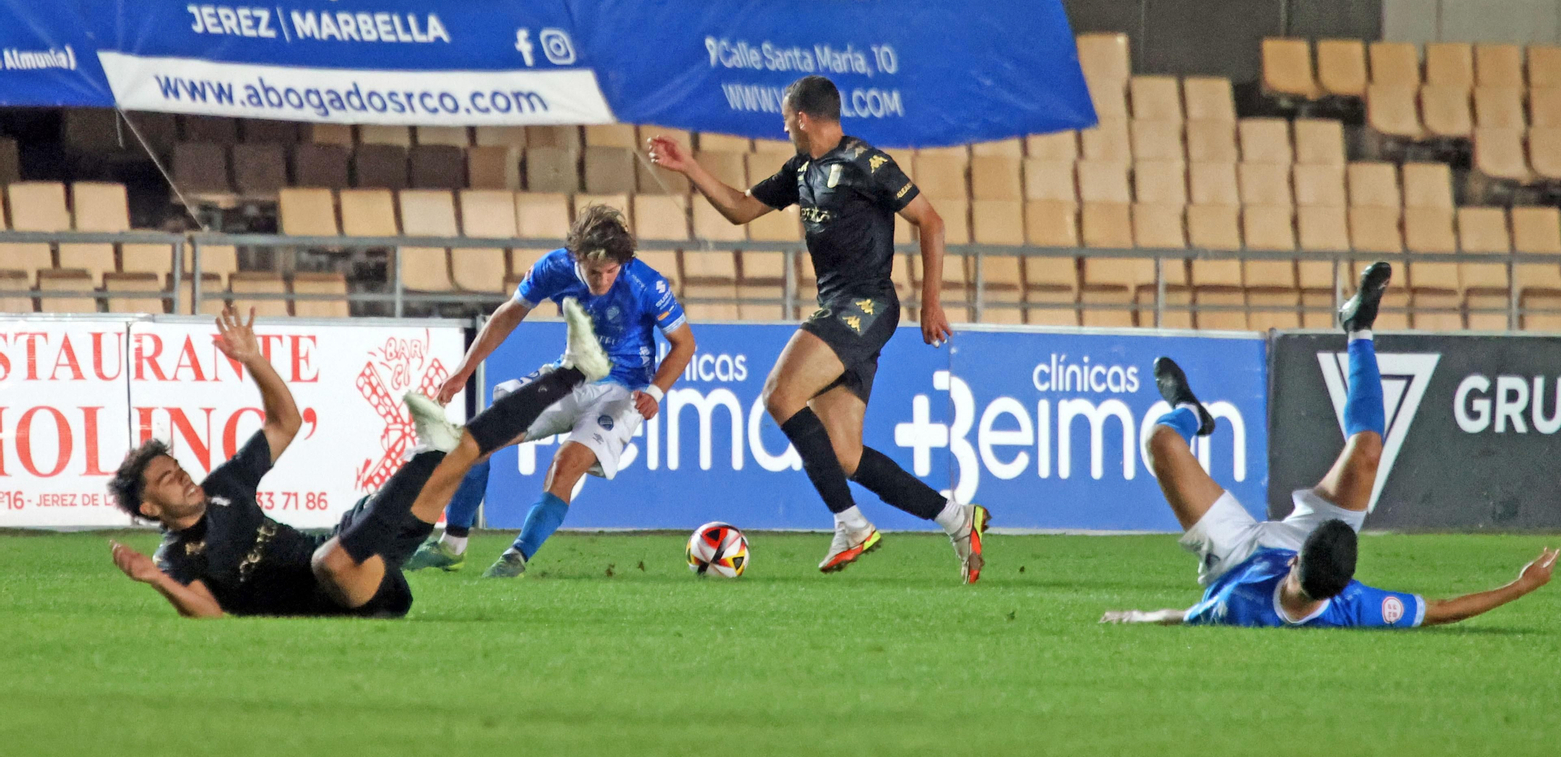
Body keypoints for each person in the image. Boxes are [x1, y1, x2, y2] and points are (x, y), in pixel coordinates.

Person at [647, 74, 989, 582]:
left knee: (779, 395)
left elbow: (931, 221)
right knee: (846, 456)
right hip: (841, 305)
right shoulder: (802, 169)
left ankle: (850, 523)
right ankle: (958, 521)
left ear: (802, 118)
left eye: (786, 118)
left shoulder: (866, 163)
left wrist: (931, 302)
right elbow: (742, 208)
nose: (783, 126)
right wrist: (690, 167)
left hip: (865, 304)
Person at [1102, 262, 1561, 627]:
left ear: (1296, 561)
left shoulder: (1240, 605)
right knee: (1367, 453)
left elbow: (1186, 618)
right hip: (1306, 552)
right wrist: (1522, 585)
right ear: (1346, 586)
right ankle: (1358, 328)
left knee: (1161, 441)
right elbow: (1440, 610)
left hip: (1236, 558)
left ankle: (1191, 414)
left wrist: (1138, 618)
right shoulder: (1357, 606)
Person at [106, 302, 612, 617]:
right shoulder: (173, 559)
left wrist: (254, 360)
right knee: (330, 559)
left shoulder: (223, 486)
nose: (184, 478)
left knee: (459, 454)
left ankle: (574, 370)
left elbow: (286, 422)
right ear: (151, 509)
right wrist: (154, 581)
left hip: (355, 551)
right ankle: (422, 451)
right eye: (168, 481)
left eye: (177, 469)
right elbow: (210, 614)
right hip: (344, 596)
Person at [405, 204, 696, 578]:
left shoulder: (646, 283)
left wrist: (655, 391)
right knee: (475, 442)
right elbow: (509, 313)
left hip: (622, 390)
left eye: (612, 271)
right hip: (568, 376)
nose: (605, 280)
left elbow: (684, 343)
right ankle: (452, 545)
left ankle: (516, 557)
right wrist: (464, 371)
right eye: (595, 272)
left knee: (567, 465)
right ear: (577, 258)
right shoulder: (554, 268)